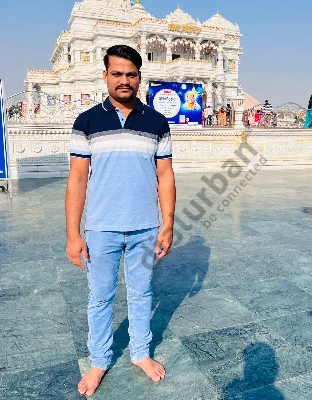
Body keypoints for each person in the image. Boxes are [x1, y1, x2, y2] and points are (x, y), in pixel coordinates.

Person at [66, 45, 176, 397]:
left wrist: (167, 224)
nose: (124, 80)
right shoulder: (87, 122)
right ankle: (99, 360)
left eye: (131, 74)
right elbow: (77, 179)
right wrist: (73, 234)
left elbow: (165, 175)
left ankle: (140, 353)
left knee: (142, 293)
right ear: (106, 76)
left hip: (145, 227)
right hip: (101, 228)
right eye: (117, 74)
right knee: (100, 297)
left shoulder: (156, 122)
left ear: (139, 77)